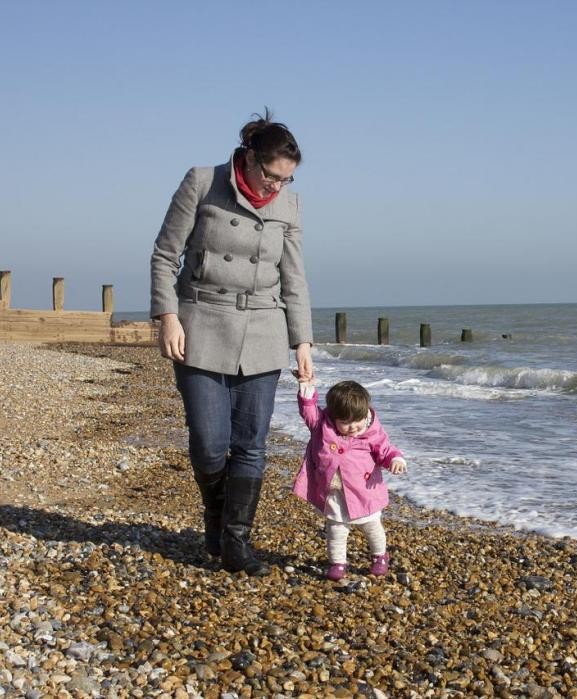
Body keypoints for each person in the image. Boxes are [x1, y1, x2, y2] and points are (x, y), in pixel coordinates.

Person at [150, 109, 314, 577]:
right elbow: (164, 255)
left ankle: (236, 540)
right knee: (208, 442)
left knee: (251, 444)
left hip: (264, 329)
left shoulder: (289, 206)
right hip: (200, 322)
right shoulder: (203, 183)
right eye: (272, 176)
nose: (277, 187)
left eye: (288, 179)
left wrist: (301, 341)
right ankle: (216, 516)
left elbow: (294, 279)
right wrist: (168, 316)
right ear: (249, 158)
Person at [292, 379, 407, 581]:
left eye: (358, 420)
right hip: (334, 493)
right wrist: (307, 389)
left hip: (364, 492)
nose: (353, 426)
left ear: (366, 415)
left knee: (372, 527)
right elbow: (308, 411)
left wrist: (395, 460)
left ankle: (380, 556)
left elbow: (385, 449)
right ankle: (338, 562)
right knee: (336, 529)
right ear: (333, 417)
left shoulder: (371, 432)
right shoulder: (322, 426)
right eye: (345, 422)